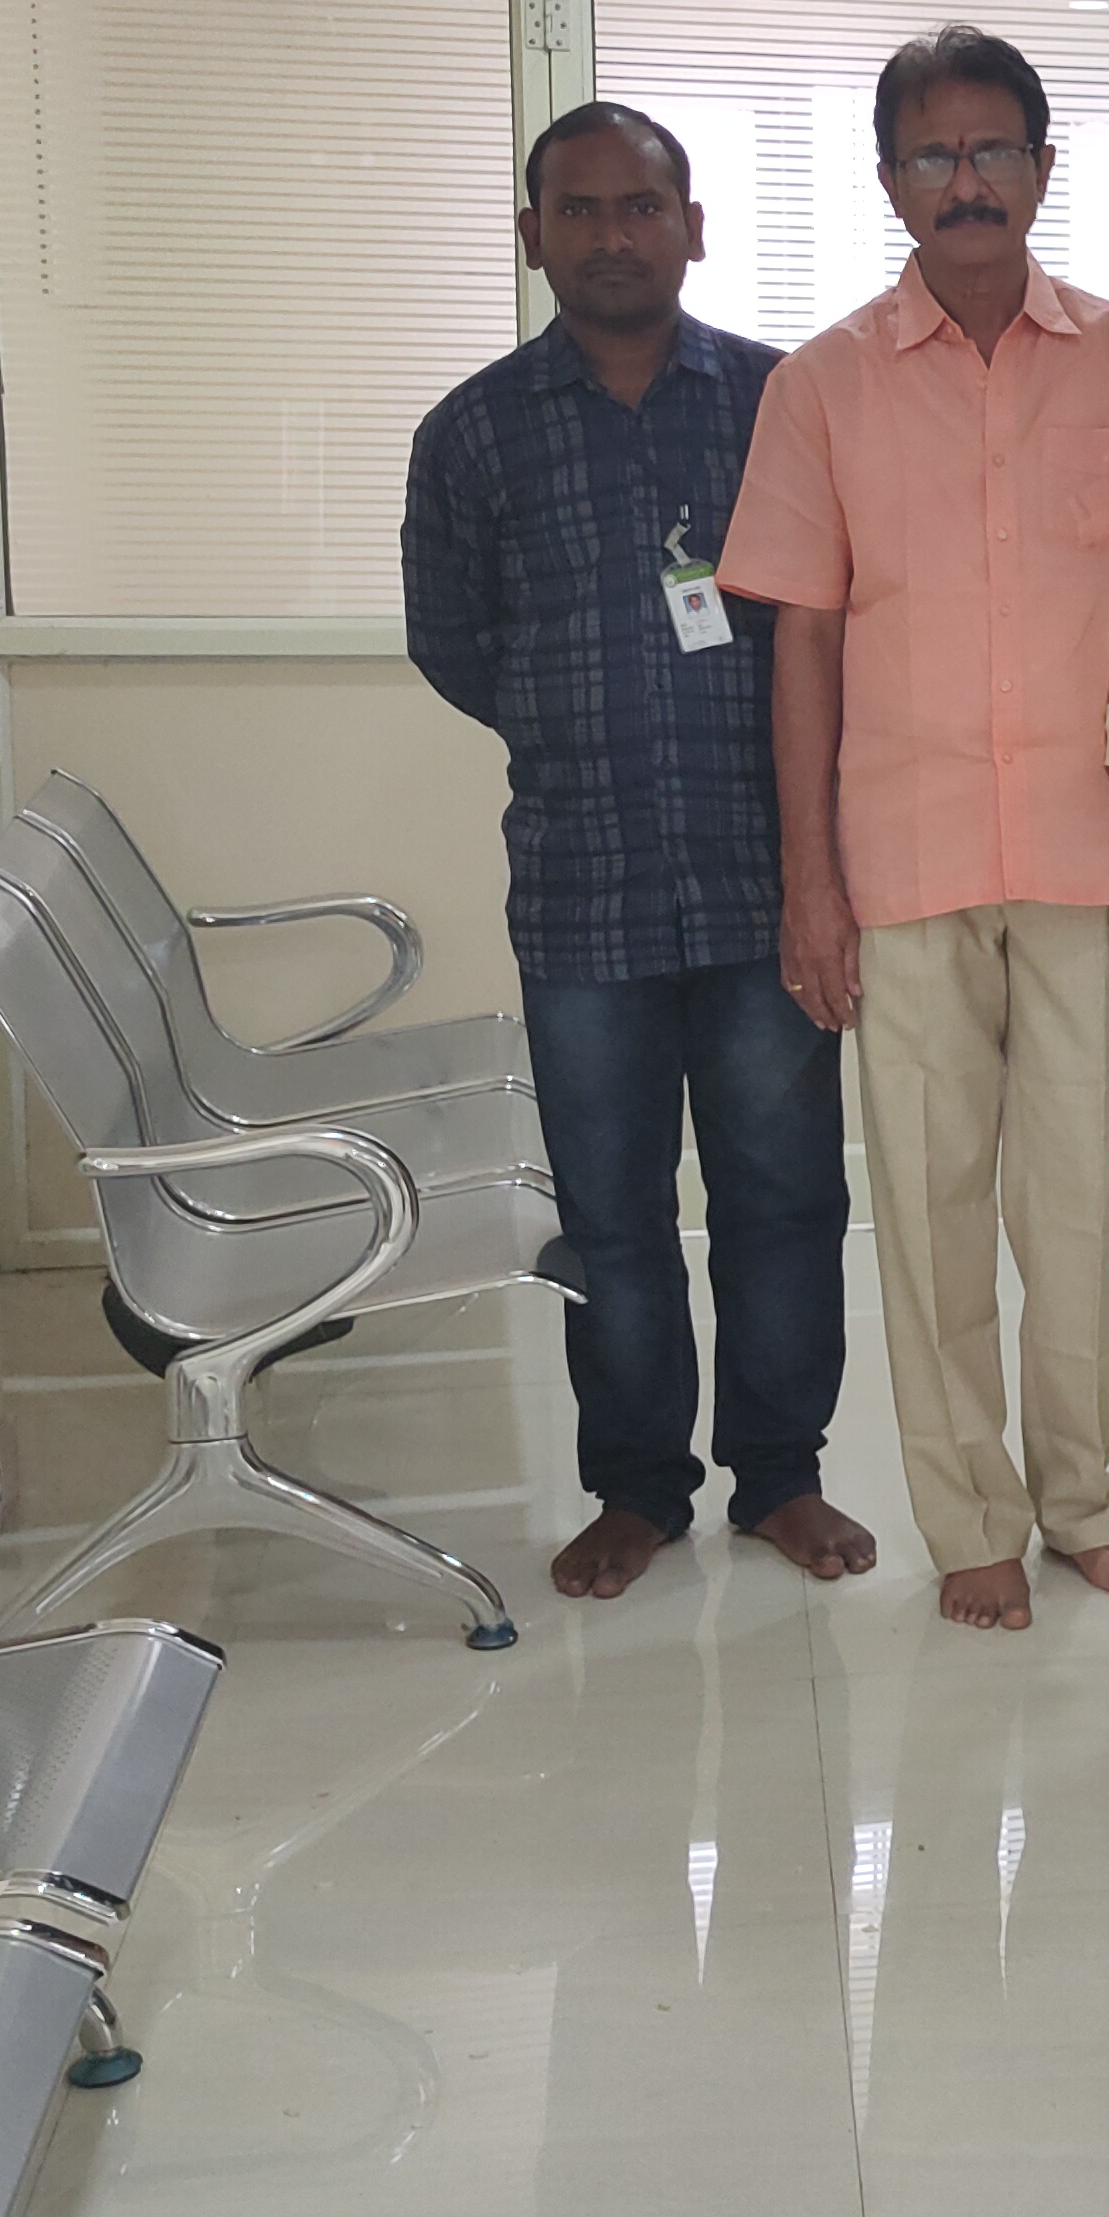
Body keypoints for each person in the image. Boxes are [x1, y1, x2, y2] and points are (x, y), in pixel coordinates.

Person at [720, 24, 1109, 1633]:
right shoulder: (822, 386)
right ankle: (970, 1516)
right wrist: (812, 882)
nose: (965, 181)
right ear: (889, 179)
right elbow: (804, 643)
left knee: (1089, 1204)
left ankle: (1082, 1498)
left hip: (1088, 856)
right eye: (933, 154)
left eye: (993, 151)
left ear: (1045, 168)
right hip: (902, 864)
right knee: (925, 1208)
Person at [402, 103, 868, 1606]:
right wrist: (575, 721)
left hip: (766, 881)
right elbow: (452, 643)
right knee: (610, 1216)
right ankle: (638, 1488)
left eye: (643, 206)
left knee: (784, 1198)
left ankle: (780, 1474)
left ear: (694, 228)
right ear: (532, 234)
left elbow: (840, 615)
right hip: (581, 888)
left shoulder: (782, 403)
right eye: (580, 209)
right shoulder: (473, 432)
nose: (613, 234)